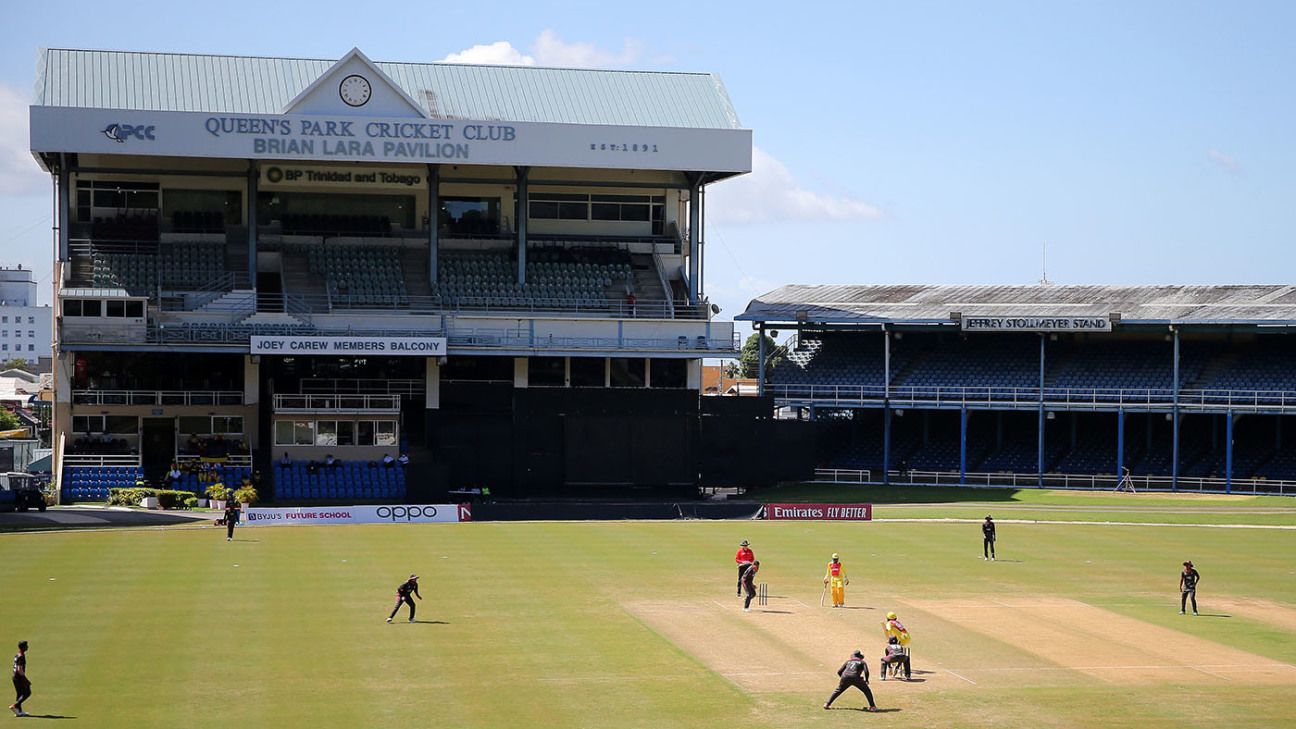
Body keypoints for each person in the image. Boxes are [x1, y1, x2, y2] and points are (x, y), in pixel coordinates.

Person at [9, 640, 30, 718]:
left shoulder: (17, 655)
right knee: (27, 692)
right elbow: (19, 669)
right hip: (19, 677)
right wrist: (25, 679)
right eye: (26, 645)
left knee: (20, 694)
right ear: (23, 647)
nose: (27, 647)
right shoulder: (21, 656)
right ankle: (15, 706)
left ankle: (19, 712)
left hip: (15, 677)